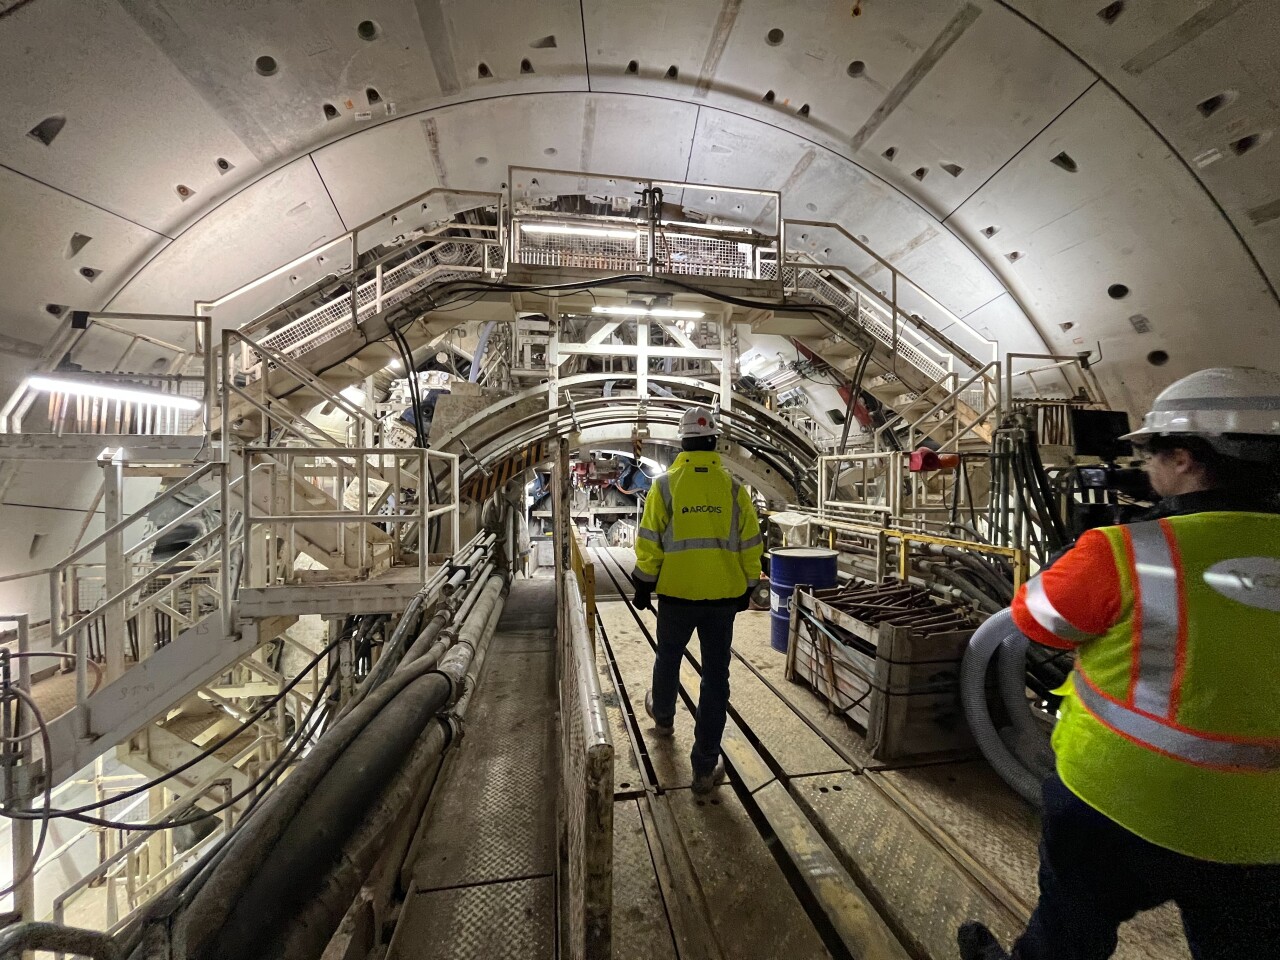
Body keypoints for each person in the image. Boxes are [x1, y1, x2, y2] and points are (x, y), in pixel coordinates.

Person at [959, 367, 1280, 960]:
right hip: (1263, 829)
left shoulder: (1128, 550)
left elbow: (1034, 621)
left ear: (1184, 457)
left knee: (1069, 934)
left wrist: (1076, 560)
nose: (1148, 471)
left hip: (1121, 801)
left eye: (1153, 455)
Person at [631, 406, 763, 794]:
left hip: (675, 594)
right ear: (715, 441)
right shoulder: (735, 489)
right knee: (715, 678)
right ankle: (705, 768)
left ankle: (664, 717)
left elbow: (650, 538)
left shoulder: (665, 486)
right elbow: (751, 543)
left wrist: (644, 581)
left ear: (683, 442)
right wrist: (749, 586)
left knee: (668, 656)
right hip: (722, 598)